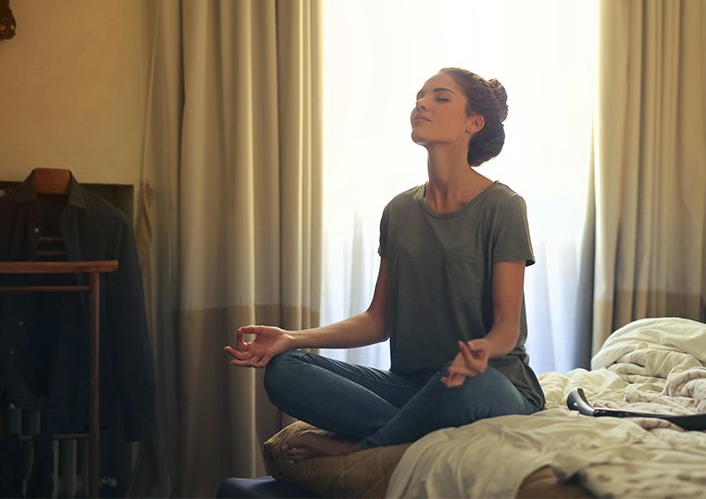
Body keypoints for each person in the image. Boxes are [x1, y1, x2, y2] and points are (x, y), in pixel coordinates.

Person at [224, 67, 544, 461]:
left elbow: (507, 327)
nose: (421, 104)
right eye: (419, 97)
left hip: (487, 382)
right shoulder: (398, 211)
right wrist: (293, 337)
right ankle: (412, 430)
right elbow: (378, 320)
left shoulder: (503, 207)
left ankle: (363, 446)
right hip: (411, 387)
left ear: (473, 123)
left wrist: (482, 348)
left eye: (440, 97)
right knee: (286, 369)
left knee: (466, 386)